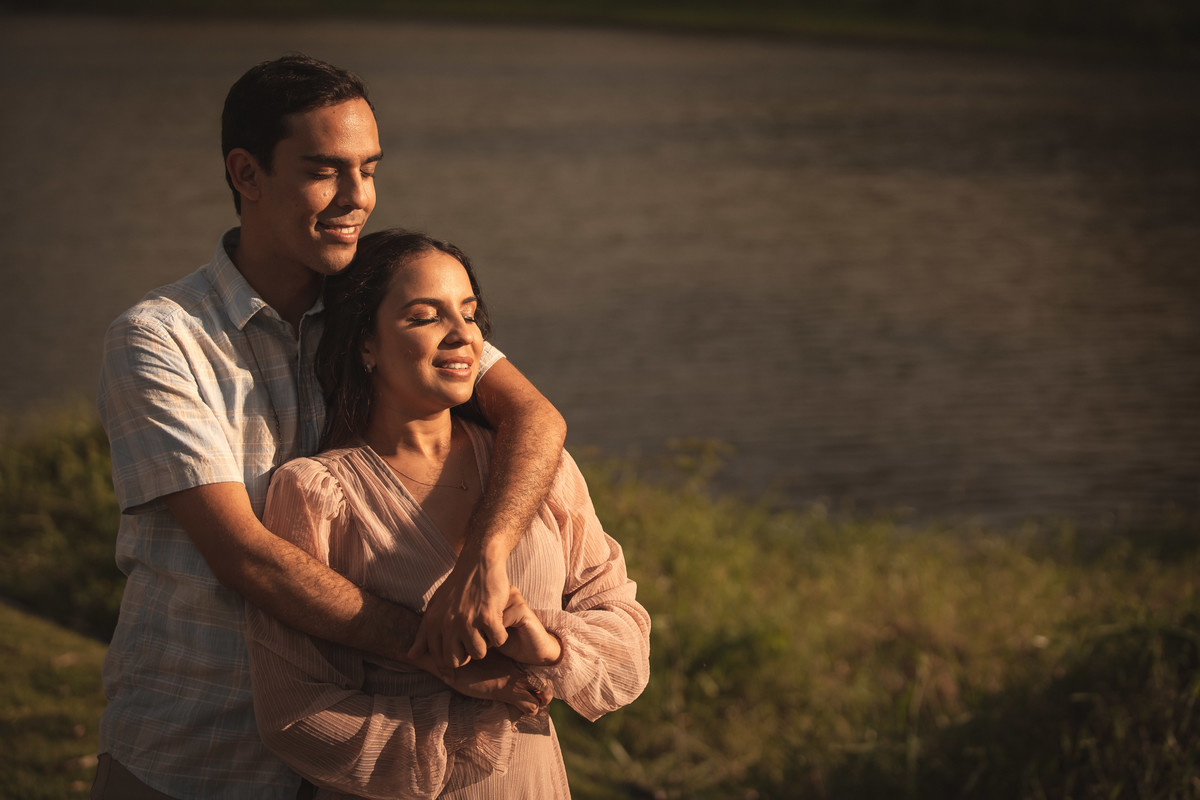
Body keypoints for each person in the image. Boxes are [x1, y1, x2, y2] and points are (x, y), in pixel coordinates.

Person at [93, 55, 566, 800]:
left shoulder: (382, 305)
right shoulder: (161, 340)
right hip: (197, 748)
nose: (358, 198)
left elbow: (534, 416)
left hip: (352, 764)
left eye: (369, 169)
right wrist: (440, 646)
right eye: (325, 171)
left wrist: (485, 558)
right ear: (246, 174)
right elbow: (247, 557)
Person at [245, 229, 651, 799]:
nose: (464, 335)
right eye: (424, 317)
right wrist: (469, 718)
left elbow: (627, 643)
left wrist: (550, 645)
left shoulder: (538, 470)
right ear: (365, 343)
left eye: (469, 313)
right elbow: (295, 715)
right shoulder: (317, 493)